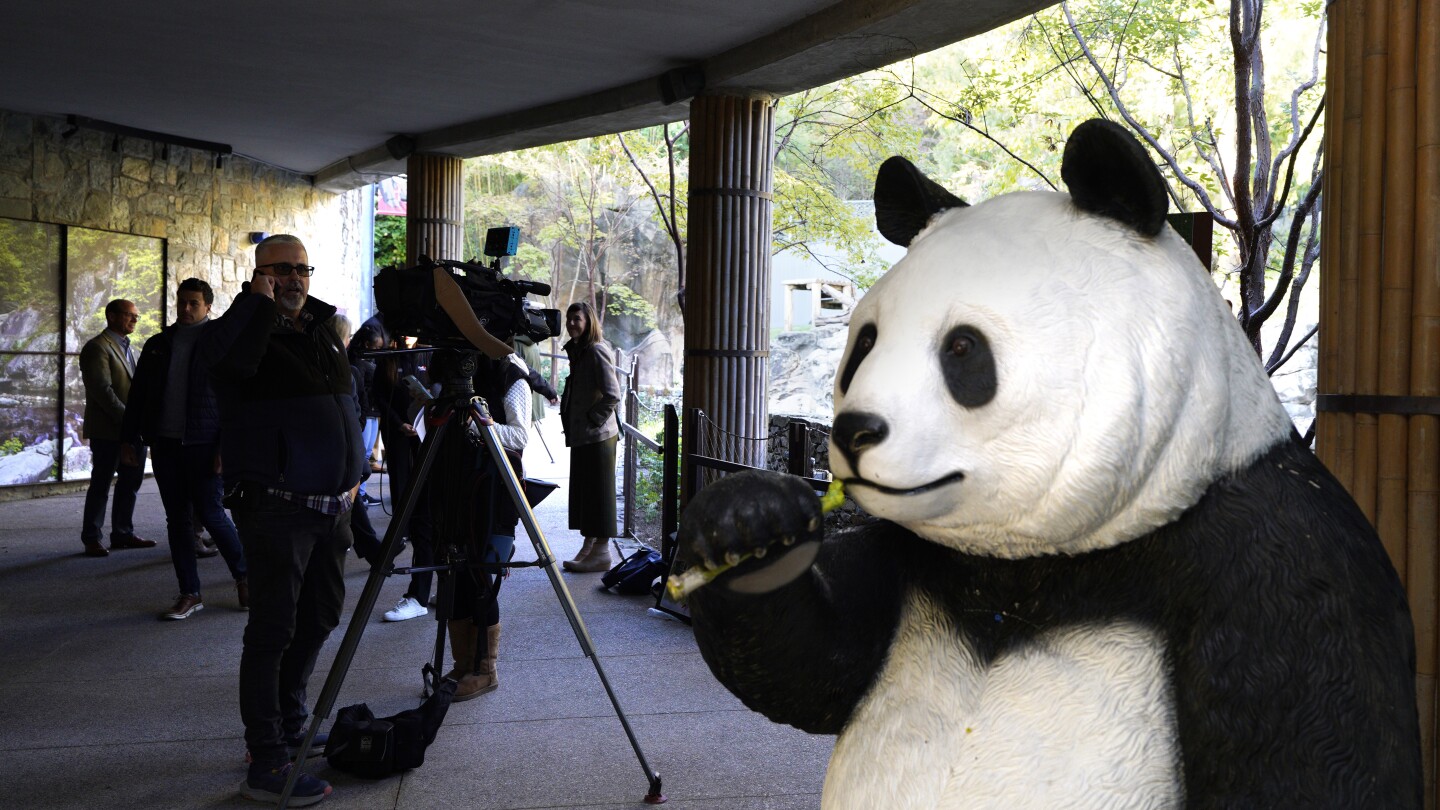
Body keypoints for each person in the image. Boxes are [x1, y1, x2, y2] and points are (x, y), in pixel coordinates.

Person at [200, 234, 363, 807]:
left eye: (302, 269)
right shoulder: (242, 329)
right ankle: (265, 757)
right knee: (273, 629)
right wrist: (257, 304)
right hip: (275, 505)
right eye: (281, 270)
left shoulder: (318, 327)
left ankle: (291, 722)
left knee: (320, 615)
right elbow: (225, 363)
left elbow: (344, 399)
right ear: (260, 275)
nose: (295, 279)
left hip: (331, 504)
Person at [122, 278, 248, 620]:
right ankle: (190, 593)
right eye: (182, 302)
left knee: (212, 514)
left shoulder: (220, 342)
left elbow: (235, 398)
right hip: (165, 445)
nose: (186, 309)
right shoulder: (158, 345)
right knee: (176, 520)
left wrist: (226, 445)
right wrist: (128, 439)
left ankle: (244, 576)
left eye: (194, 303)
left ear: (208, 306)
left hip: (205, 444)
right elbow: (138, 397)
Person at [437, 351, 531, 700]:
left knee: (480, 573)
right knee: (454, 569)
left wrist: (478, 425)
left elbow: (519, 437)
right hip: (455, 482)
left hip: (488, 488)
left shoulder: (509, 371)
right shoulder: (455, 362)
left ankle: (485, 669)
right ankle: (464, 663)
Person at [78, 298, 155, 557]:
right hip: (108, 431)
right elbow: (102, 391)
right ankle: (91, 537)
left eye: (136, 316)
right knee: (101, 484)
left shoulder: (127, 346)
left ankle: (122, 533)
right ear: (112, 316)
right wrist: (130, 420)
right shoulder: (97, 347)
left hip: (132, 430)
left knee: (130, 483)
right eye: (129, 315)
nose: (134, 319)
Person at [559, 301, 621, 573]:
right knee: (587, 493)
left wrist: (592, 419)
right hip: (585, 435)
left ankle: (602, 553)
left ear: (589, 322)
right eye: (569, 319)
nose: (572, 323)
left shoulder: (596, 350)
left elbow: (613, 394)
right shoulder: (580, 351)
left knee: (599, 494)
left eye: (577, 319)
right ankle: (589, 547)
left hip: (598, 435)